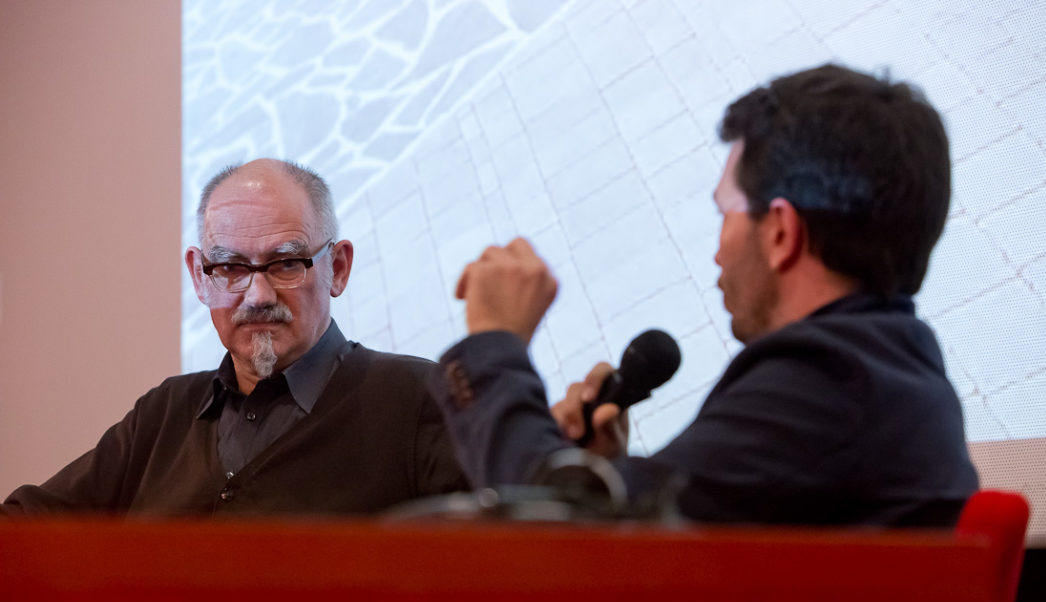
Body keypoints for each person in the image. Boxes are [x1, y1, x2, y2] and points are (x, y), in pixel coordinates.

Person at [429, 64, 979, 526]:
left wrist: (494, 345)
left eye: (725, 213)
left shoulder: (830, 383)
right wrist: (603, 478)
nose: (717, 252)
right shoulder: (890, 376)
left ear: (781, 233)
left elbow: (562, 547)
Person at [2, 159, 467, 516]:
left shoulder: (419, 400)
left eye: (286, 263)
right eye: (229, 267)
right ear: (199, 276)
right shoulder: (164, 416)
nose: (258, 295)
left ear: (338, 268)